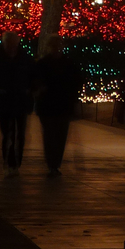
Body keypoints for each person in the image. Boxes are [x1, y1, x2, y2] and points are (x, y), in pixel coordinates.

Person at [0, 32, 34, 175]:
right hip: (3, 100)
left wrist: (31, 93)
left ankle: (16, 162)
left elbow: (33, 76)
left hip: (20, 100)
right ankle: (10, 161)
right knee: (8, 133)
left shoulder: (24, 57)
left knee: (20, 134)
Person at [33, 35, 84, 176]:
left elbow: (77, 82)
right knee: (53, 136)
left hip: (59, 105)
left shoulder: (65, 64)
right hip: (51, 105)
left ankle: (54, 164)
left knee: (58, 136)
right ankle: (52, 164)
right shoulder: (48, 64)